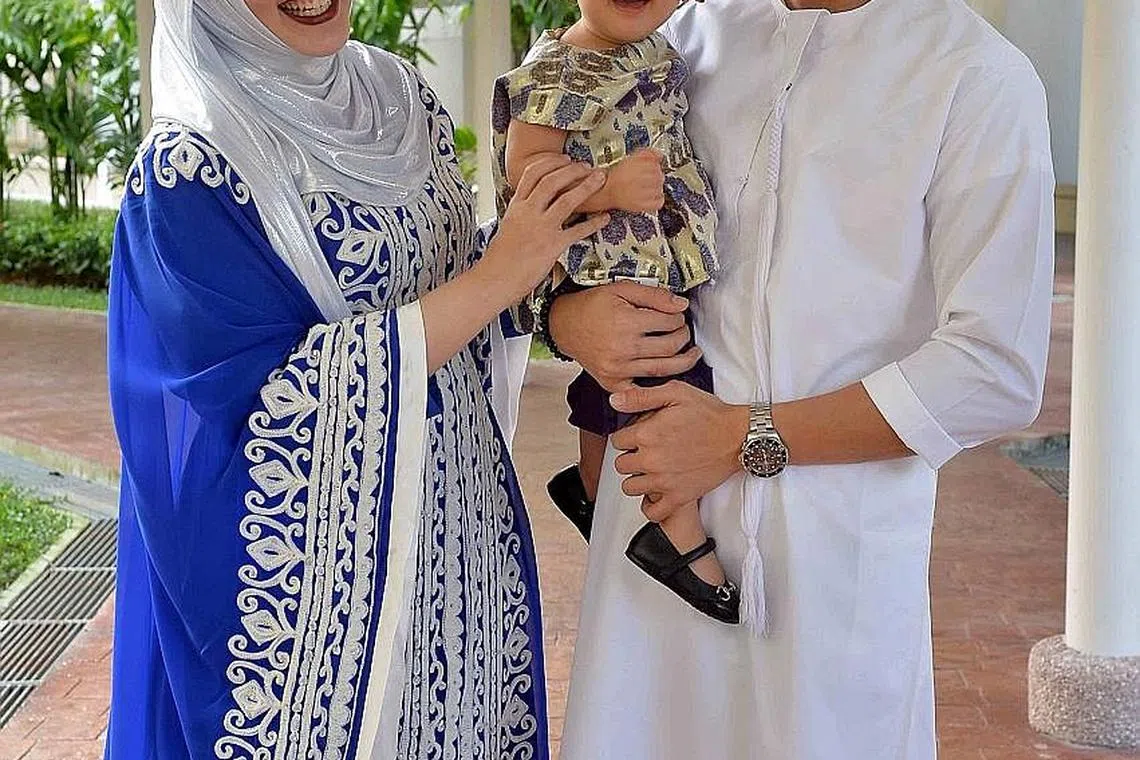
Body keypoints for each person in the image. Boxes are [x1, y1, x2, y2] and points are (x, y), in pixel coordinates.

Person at [549, 0, 1056, 757]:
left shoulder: (973, 74)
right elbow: (573, 210)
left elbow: (995, 366)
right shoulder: (683, 37)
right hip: (653, 525)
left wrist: (738, 438)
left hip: (831, 550)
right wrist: (566, 315)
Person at [103, 0, 609, 757]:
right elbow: (246, 410)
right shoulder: (189, 168)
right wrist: (500, 278)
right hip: (325, 596)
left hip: (461, 539)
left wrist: (549, 265)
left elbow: (448, 278)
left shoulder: (399, 99)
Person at [491, 0, 738, 624]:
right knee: (660, 378)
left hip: (653, 248)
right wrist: (605, 186)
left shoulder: (655, 47)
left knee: (623, 377)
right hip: (612, 255)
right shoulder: (560, 69)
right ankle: (674, 529)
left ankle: (591, 484)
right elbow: (524, 171)